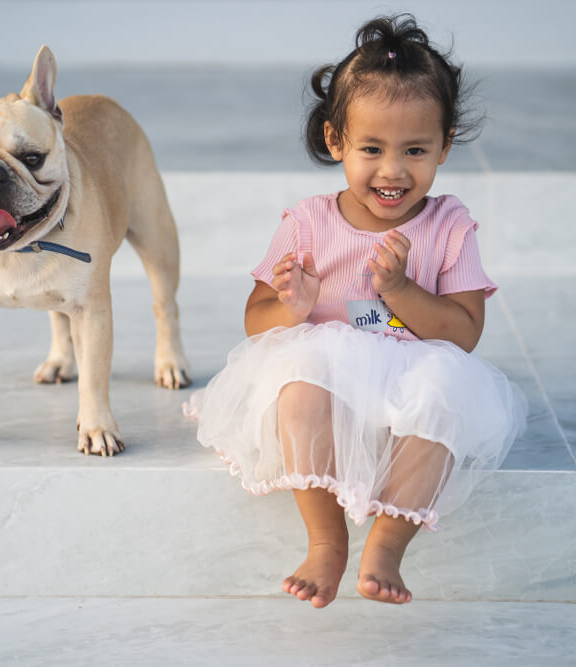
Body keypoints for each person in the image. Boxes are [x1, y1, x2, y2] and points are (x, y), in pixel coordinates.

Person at [186, 14, 527, 608]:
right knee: (298, 381)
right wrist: (292, 308)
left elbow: (465, 333)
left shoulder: (448, 226)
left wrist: (400, 290)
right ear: (335, 140)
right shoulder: (309, 222)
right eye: (372, 148)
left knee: (447, 393)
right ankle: (327, 543)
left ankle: (388, 546)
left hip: (412, 377)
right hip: (328, 392)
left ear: (445, 146)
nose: (393, 171)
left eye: (415, 150)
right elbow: (255, 319)